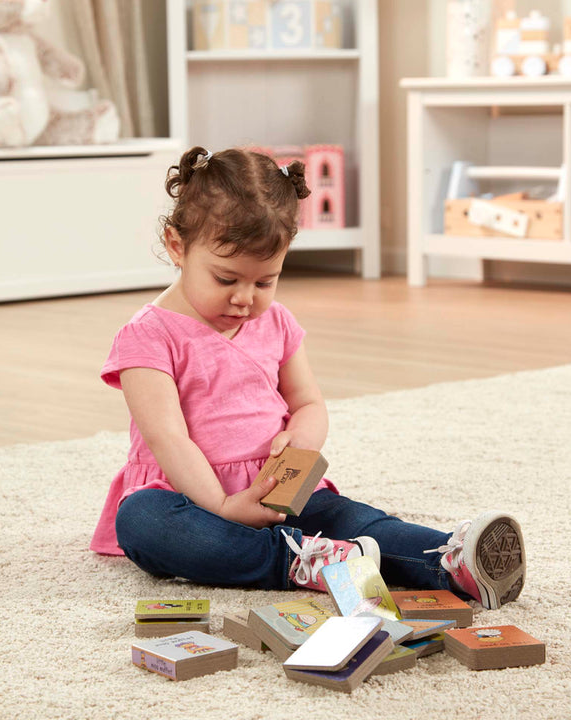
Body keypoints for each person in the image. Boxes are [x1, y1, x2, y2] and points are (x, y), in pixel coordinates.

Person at [90, 146, 526, 610]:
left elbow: (309, 404)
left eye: (264, 282)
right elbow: (168, 439)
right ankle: (297, 562)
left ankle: (448, 560)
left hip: (280, 493)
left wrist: (300, 441)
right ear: (177, 246)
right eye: (225, 278)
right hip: (192, 500)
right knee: (142, 521)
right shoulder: (147, 336)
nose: (244, 298)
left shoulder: (275, 322)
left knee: (355, 518)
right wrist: (222, 506)